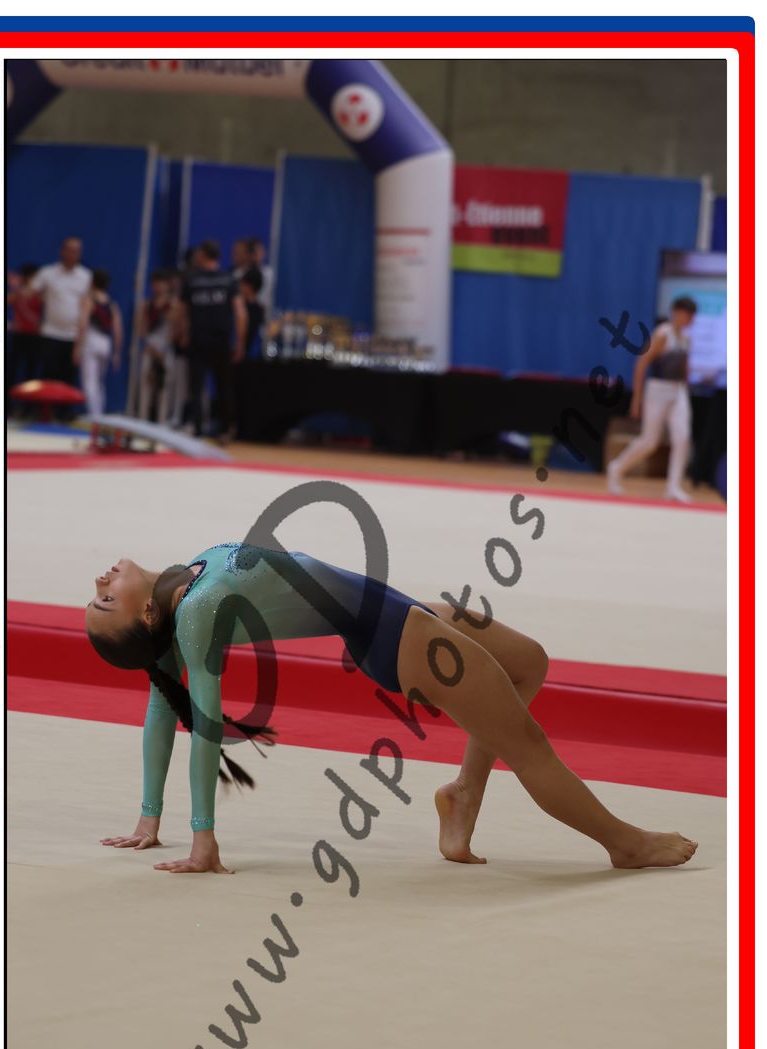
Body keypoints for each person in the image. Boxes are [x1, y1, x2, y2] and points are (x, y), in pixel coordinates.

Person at [85, 543, 698, 876]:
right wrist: (203, 840)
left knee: (527, 663)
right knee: (527, 743)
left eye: (98, 594)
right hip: (396, 636)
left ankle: (463, 795)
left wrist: (147, 819)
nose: (100, 581)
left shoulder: (184, 585)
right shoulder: (194, 612)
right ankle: (624, 843)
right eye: (106, 600)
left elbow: (160, 704)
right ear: (146, 614)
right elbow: (199, 723)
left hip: (396, 612)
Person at [607, 296, 698, 502]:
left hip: (679, 391)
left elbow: (685, 368)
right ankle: (616, 467)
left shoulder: (686, 339)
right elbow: (641, 364)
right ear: (677, 312)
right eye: (689, 315)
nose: (691, 320)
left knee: (682, 438)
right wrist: (636, 399)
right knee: (649, 441)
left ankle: (673, 487)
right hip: (658, 390)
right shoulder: (662, 334)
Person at [177, 239, 247, 443]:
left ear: (202, 255)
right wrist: (240, 342)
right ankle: (226, 430)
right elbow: (240, 313)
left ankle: (198, 429)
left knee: (196, 387)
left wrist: (183, 334)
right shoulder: (228, 280)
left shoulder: (191, 280)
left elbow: (182, 312)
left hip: (198, 339)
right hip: (221, 340)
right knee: (224, 386)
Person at [30, 237, 93, 384]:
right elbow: (30, 293)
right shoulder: (48, 273)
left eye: (76, 251)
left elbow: (86, 310)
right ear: (62, 251)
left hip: (73, 337)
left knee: (68, 382)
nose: (73, 254)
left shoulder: (86, 276)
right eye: (70, 250)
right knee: (49, 380)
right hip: (50, 334)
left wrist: (80, 342)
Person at [74, 269, 123, 418]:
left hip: (91, 340)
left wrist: (77, 347)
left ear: (92, 282)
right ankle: (99, 415)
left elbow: (83, 324)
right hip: (106, 343)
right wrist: (116, 352)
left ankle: (93, 416)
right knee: (100, 383)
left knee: (89, 382)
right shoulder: (112, 304)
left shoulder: (88, 300)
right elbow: (118, 330)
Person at [138, 269, 179, 425]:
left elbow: (175, 329)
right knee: (146, 383)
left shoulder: (173, 305)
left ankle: (162, 420)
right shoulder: (147, 305)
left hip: (166, 350)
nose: (158, 287)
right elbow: (142, 330)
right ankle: (142, 418)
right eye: (155, 284)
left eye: (161, 284)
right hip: (150, 348)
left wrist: (164, 349)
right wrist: (149, 345)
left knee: (165, 386)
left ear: (167, 285)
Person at [6, 263, 43, 403]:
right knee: (12, 371)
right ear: (27, 277)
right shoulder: (16, 293)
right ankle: (8, 405)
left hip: (34, 336)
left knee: (31, 373)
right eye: (34, 277)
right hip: (19, 335)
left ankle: (28, 406)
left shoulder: (40, 294)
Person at [239, 266, 265, 358]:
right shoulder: (260, 310)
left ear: (250, 286)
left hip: (248, 355)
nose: (240, 287)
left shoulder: (242, 310)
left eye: (242, 284)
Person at [247, 236, 275, 321]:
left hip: (264, 315)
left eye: (261, 250)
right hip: (247, 313)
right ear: (250, 254)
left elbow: (268, 296)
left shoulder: (269, 273)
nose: (259, 254)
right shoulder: (240, 273)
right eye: (255, 251)